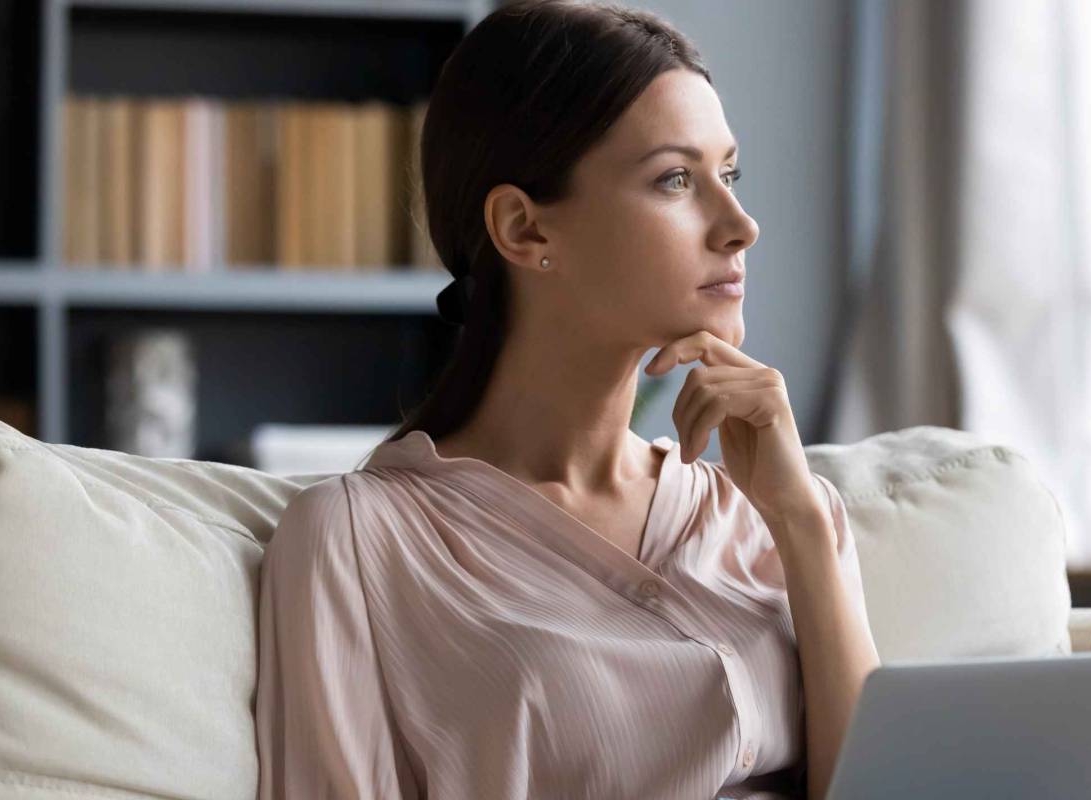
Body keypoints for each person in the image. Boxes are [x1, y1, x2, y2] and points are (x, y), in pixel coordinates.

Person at [252, 2, 881, 797]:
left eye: (730, 174)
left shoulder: (775, 514)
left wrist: (804, 526)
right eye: (675, 179)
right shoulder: (360, 541)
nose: (740, 224)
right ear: (524, 229)